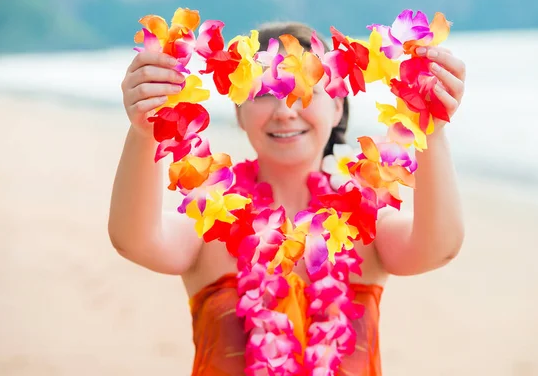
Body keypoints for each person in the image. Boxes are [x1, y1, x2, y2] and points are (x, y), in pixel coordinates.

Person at [108, 21, 466, 375]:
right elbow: (134, 240)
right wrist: (145, 131)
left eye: (307, 89)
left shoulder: (367, 223)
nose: (286, 110)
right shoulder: (210, 222)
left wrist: (430, 127)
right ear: (238, 112)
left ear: (338, 107)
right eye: (264, 93)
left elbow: (439, 247)